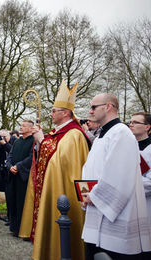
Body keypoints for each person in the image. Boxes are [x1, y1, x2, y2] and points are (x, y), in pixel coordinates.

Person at [19, 80, 90, 260]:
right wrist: (40, 142)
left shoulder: (74, 134)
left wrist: (42, 140)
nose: (50, 114)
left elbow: (61, 163)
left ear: (65, 113)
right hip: (50, 189)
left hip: (63, 191)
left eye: (53, 111)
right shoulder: (56, 132)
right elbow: (48, 155)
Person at [81, 94, 151, 259]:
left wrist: (95, 196)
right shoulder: (101, 135)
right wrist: (84, 191)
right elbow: (92, 167)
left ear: (108, 107)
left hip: (116, 213)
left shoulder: (121, 133)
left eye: (93, 107)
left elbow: (118, 174)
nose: (90, 112)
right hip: (95, 206)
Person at [5, 120, 34, 237]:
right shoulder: (17, 142)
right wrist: (10, 166)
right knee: (12, 201)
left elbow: (31, 157)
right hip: (13, 175)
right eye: (21, 125)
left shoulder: (33, 141)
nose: (21, 127)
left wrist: (19, 166)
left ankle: (23, 230)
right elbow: (10, 156)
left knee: (22, 202)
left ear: (31, 128)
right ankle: (14, 228)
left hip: (24, 176)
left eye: (24, 126)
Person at [0, 129, 17, 224]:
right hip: (4, 172)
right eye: (0, 136)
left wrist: (4, 143)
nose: (1, 138)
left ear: (7, 136)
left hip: (14, 172)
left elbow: (13, 152)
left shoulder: (14, 141)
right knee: (8, 195)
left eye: (3, 136)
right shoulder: (0, 145)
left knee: (13, 197)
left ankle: (13, 218)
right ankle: (9, 217)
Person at [129, 112, 151, 217]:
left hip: (146, 203)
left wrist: (126, 182)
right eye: (130, 122)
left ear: (147, 127)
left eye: (135, 122)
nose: (131, 125)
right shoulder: (126, 147)